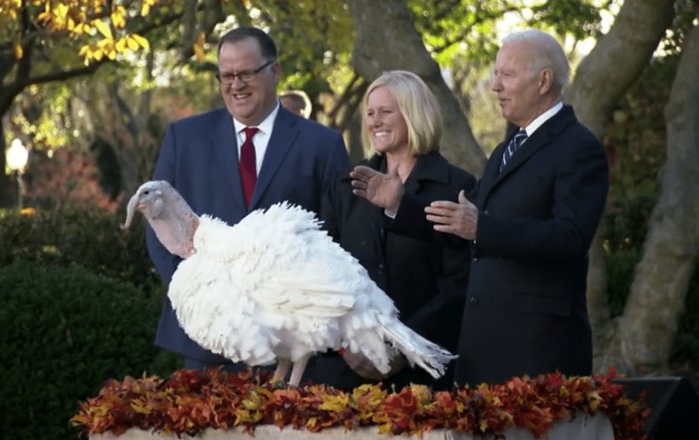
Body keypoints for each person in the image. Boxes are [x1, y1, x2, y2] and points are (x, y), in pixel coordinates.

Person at [350, 30, 609, 387]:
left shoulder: (578, 147)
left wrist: (481, 228)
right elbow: (464, 231)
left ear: (544, 81)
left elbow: (570, 237)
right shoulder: (506, 150)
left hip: (538, 349)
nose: (495, 86)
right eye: (496, 74)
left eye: (507, 75)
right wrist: (400, 207)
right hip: (485, 348)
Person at [146, 26, 351, 372]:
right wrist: (196, 296)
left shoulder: (322, 145)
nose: (235, 85)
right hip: (208, 338)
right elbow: (158, 224)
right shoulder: (185, 138)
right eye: (226, 76)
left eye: (245, 73)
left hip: (291, 345)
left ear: (275, 71)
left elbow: (339, 236)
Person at [303, 70, 476, 391]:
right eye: (370, 113)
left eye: (386, 112)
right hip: (344, 373)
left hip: (422, 374)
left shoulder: (457, 187)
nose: (375, 121)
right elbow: (321, 271)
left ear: (413, 113)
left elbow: (458, 286)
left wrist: (402, 347)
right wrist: (345, 345)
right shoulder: (345, 186)